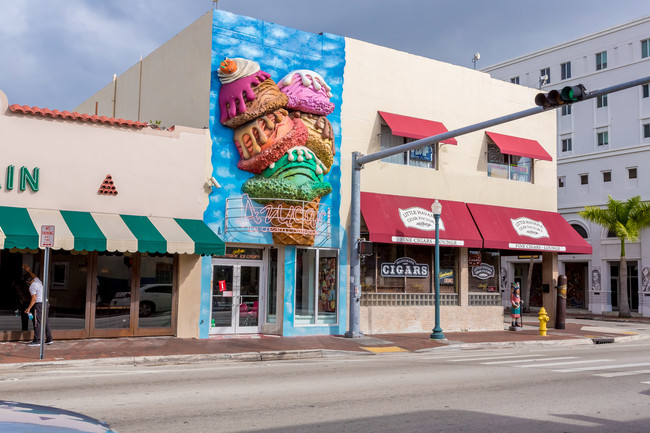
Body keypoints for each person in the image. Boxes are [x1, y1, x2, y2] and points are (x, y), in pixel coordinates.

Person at [22, 264, 53, 346]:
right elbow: (34, 276)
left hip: (39, 304)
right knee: (45, 321)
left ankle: (37, 340)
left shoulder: (32, 286)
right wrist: (28, 270)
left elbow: (34, 298)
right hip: (46, 303)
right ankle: (49, 339)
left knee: (37, 322)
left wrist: (28, 308)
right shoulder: (38, 282)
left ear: (27, 282)